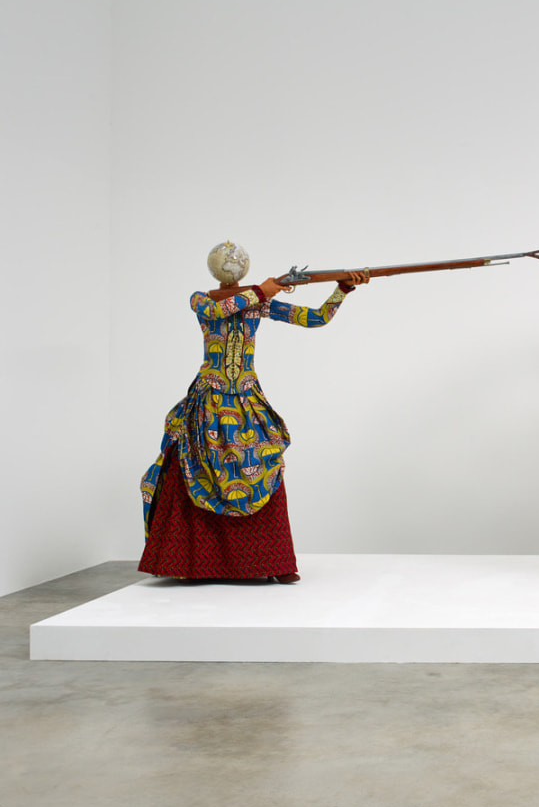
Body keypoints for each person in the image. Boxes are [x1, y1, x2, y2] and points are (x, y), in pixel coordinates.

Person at [138, 241, 369, 583]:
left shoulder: (258, 302)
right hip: (208, 398)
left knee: (264, 463)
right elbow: (219, 311)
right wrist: (262, 291)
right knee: (190, 465)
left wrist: (342, 289)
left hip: (248, 399)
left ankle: (274, 562)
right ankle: (188, 564)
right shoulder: (201, 300)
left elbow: (315, 318)